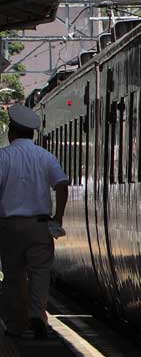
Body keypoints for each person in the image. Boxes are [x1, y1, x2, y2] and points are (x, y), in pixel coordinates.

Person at [0, 105, 68, 339]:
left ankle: (15, 325)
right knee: (40, 273)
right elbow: (61, 184)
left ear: (11, 132)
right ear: (33, 133)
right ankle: (37, 317)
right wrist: (58, 216)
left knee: (13, 276)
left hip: (10, 227)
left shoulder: (3, 157)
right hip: (39, 226)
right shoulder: (46, 157)